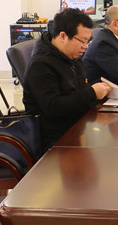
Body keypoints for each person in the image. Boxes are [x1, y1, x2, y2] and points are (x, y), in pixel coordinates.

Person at [24, 8, 112, 151]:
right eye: (82, 41)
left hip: (77, 124)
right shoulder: (40, 65)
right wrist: (92, 93)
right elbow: (53, 107)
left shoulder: (71, 55)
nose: (85, 46)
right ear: (63, 36)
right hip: (56, 137)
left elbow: (79, 91)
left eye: (88, 41)